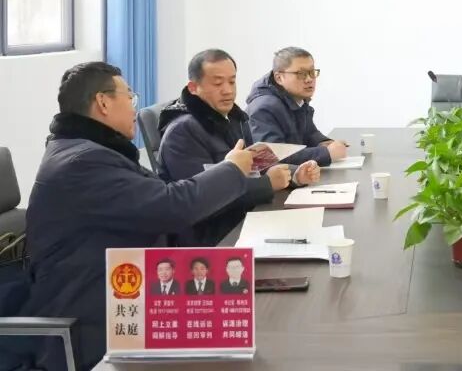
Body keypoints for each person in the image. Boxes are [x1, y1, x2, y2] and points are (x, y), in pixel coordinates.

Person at [20, 62, 255, 371]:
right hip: (99, 318)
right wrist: (232, 169)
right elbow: (172, 207)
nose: (134, 107)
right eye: (129, 97)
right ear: (103, 102)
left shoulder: (89, 150)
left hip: (128, 294)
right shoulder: (83, 162)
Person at [158, 49, 321, 245]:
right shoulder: (182, 132)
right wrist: (267, 184)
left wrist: (294, 174)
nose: (228, 90)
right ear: (193, 87)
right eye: (218, 83)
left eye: (232, 81)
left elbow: (258, 163)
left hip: (246, 220)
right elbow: (202, 198)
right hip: (214, 239)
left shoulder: (233, 118)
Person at [246, 47, 347, 166]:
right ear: (279, 78)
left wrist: (325, 143)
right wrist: (326, 153)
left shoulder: (296, 98)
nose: (309, 79)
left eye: (312, 72)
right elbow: (270, 157)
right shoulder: (264, 108)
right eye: (301, 74)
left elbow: (310, 133)